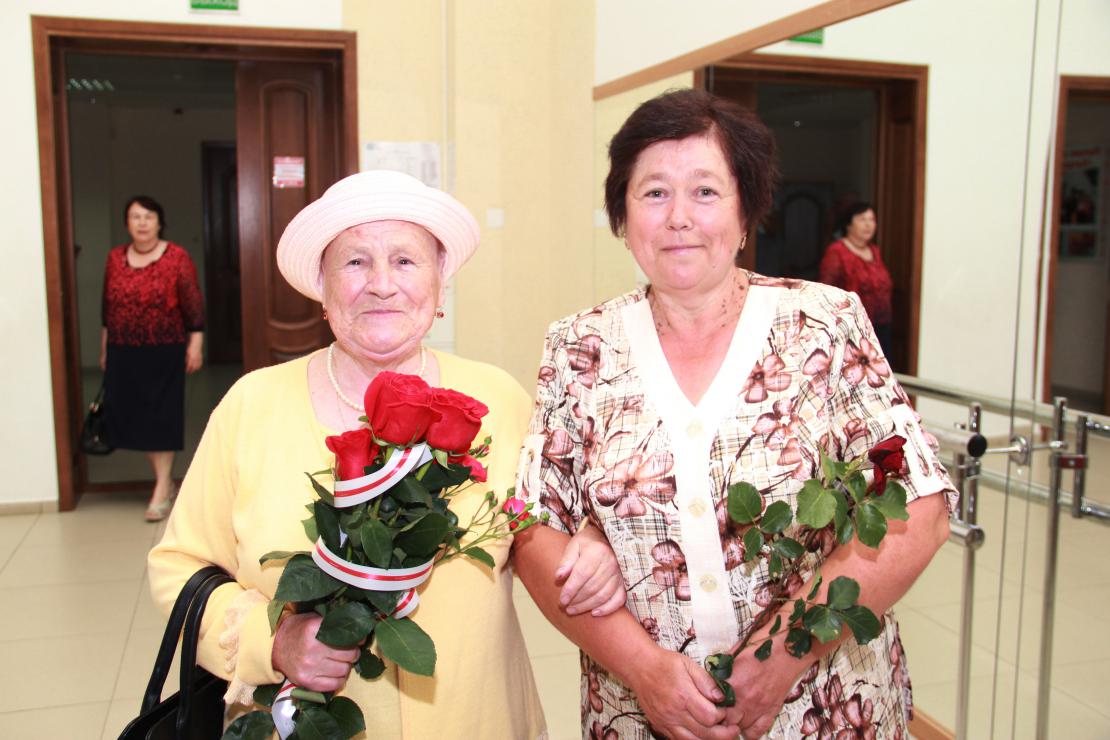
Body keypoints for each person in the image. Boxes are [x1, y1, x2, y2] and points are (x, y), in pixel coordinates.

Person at [511, 89, 956, 739]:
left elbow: (917, 505)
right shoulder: (580, 345)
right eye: (654, 193)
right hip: (640, 713)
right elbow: (531, 523)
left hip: (822, 706)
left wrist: (778, 662)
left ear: (746, 211)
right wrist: (644, 670)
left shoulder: (824, 323)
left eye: (705, 191)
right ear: (622, 215)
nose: (679, 218)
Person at [147, 171, 625, 738]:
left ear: (439, 281)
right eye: (354, 262)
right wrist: (270, 641)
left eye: (404, 261)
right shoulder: (251, 405)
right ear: (322, 285)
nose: (381, 284)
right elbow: (177, 566)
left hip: (479, 720)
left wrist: (597, 537)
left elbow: (554, 527)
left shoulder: (497, 399)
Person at [100, 195, 205, 521]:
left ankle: (161, 487)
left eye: (148, 216)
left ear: (159, 222)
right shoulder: (115, 258)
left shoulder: (176, 257)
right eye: (135, 216)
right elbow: (107, 308)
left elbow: (193, 304)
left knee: (160, 417)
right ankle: (165, 482)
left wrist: (196, 344)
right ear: (127, 223)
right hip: (123, 350)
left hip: (164, 350)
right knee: (135, 417)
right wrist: (104, 348)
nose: (142, 222)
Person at [818, 203, 894, 356]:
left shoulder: (874, 251)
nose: (868, 224)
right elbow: (825, 291)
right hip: (851, 329)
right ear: (849, 224)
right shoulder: (837, 251)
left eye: (872, 219)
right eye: (862, 219)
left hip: (880, 326)